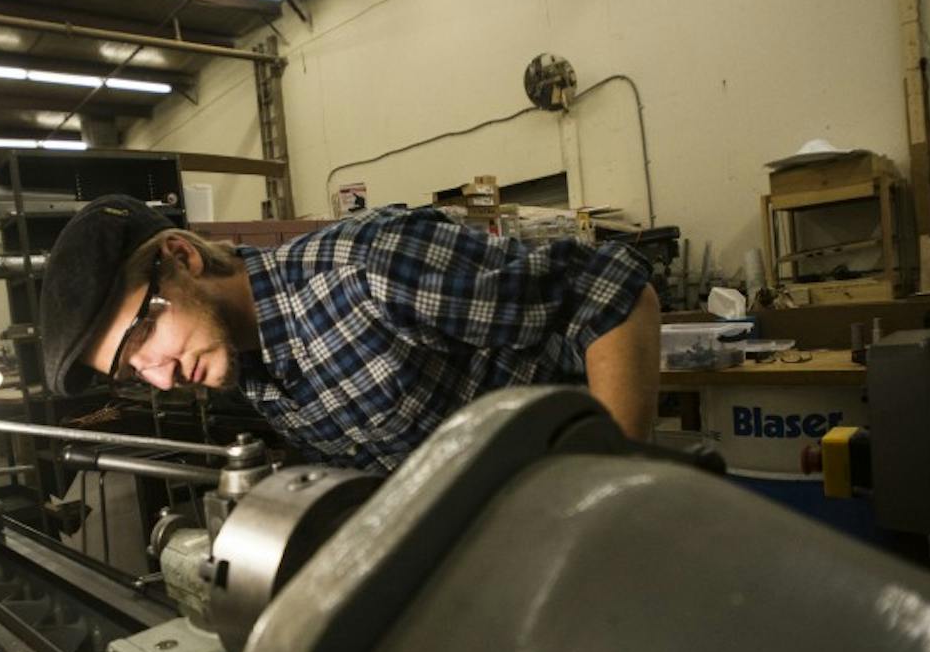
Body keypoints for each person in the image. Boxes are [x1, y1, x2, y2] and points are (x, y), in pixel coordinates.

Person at [41, 195, 660, 472]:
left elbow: (610, 293)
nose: (160, 376)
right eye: (130, 372)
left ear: (183, 257)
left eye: (142, 338)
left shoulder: (367, 271)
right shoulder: (247, 370)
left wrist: (615, 479)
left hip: (577, 497)